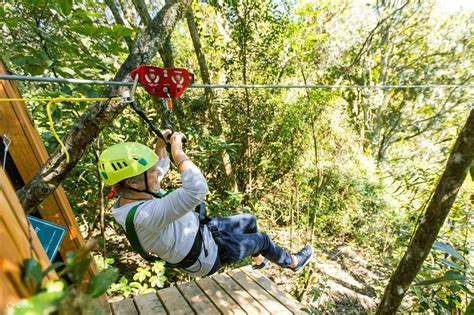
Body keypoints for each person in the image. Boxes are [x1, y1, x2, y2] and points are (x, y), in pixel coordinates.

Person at [98, 130, 313, 277]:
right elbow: (197, 189)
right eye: (151, 171)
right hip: (207, 255)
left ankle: (260, 260)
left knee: (249, 220)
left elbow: (159, 169)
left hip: (202, 232)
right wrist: (178, 153)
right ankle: (294, 263)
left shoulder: (132, 195)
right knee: (262, 239)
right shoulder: (143, 216)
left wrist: (159, 146)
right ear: (132, 182)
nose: (158, 172)